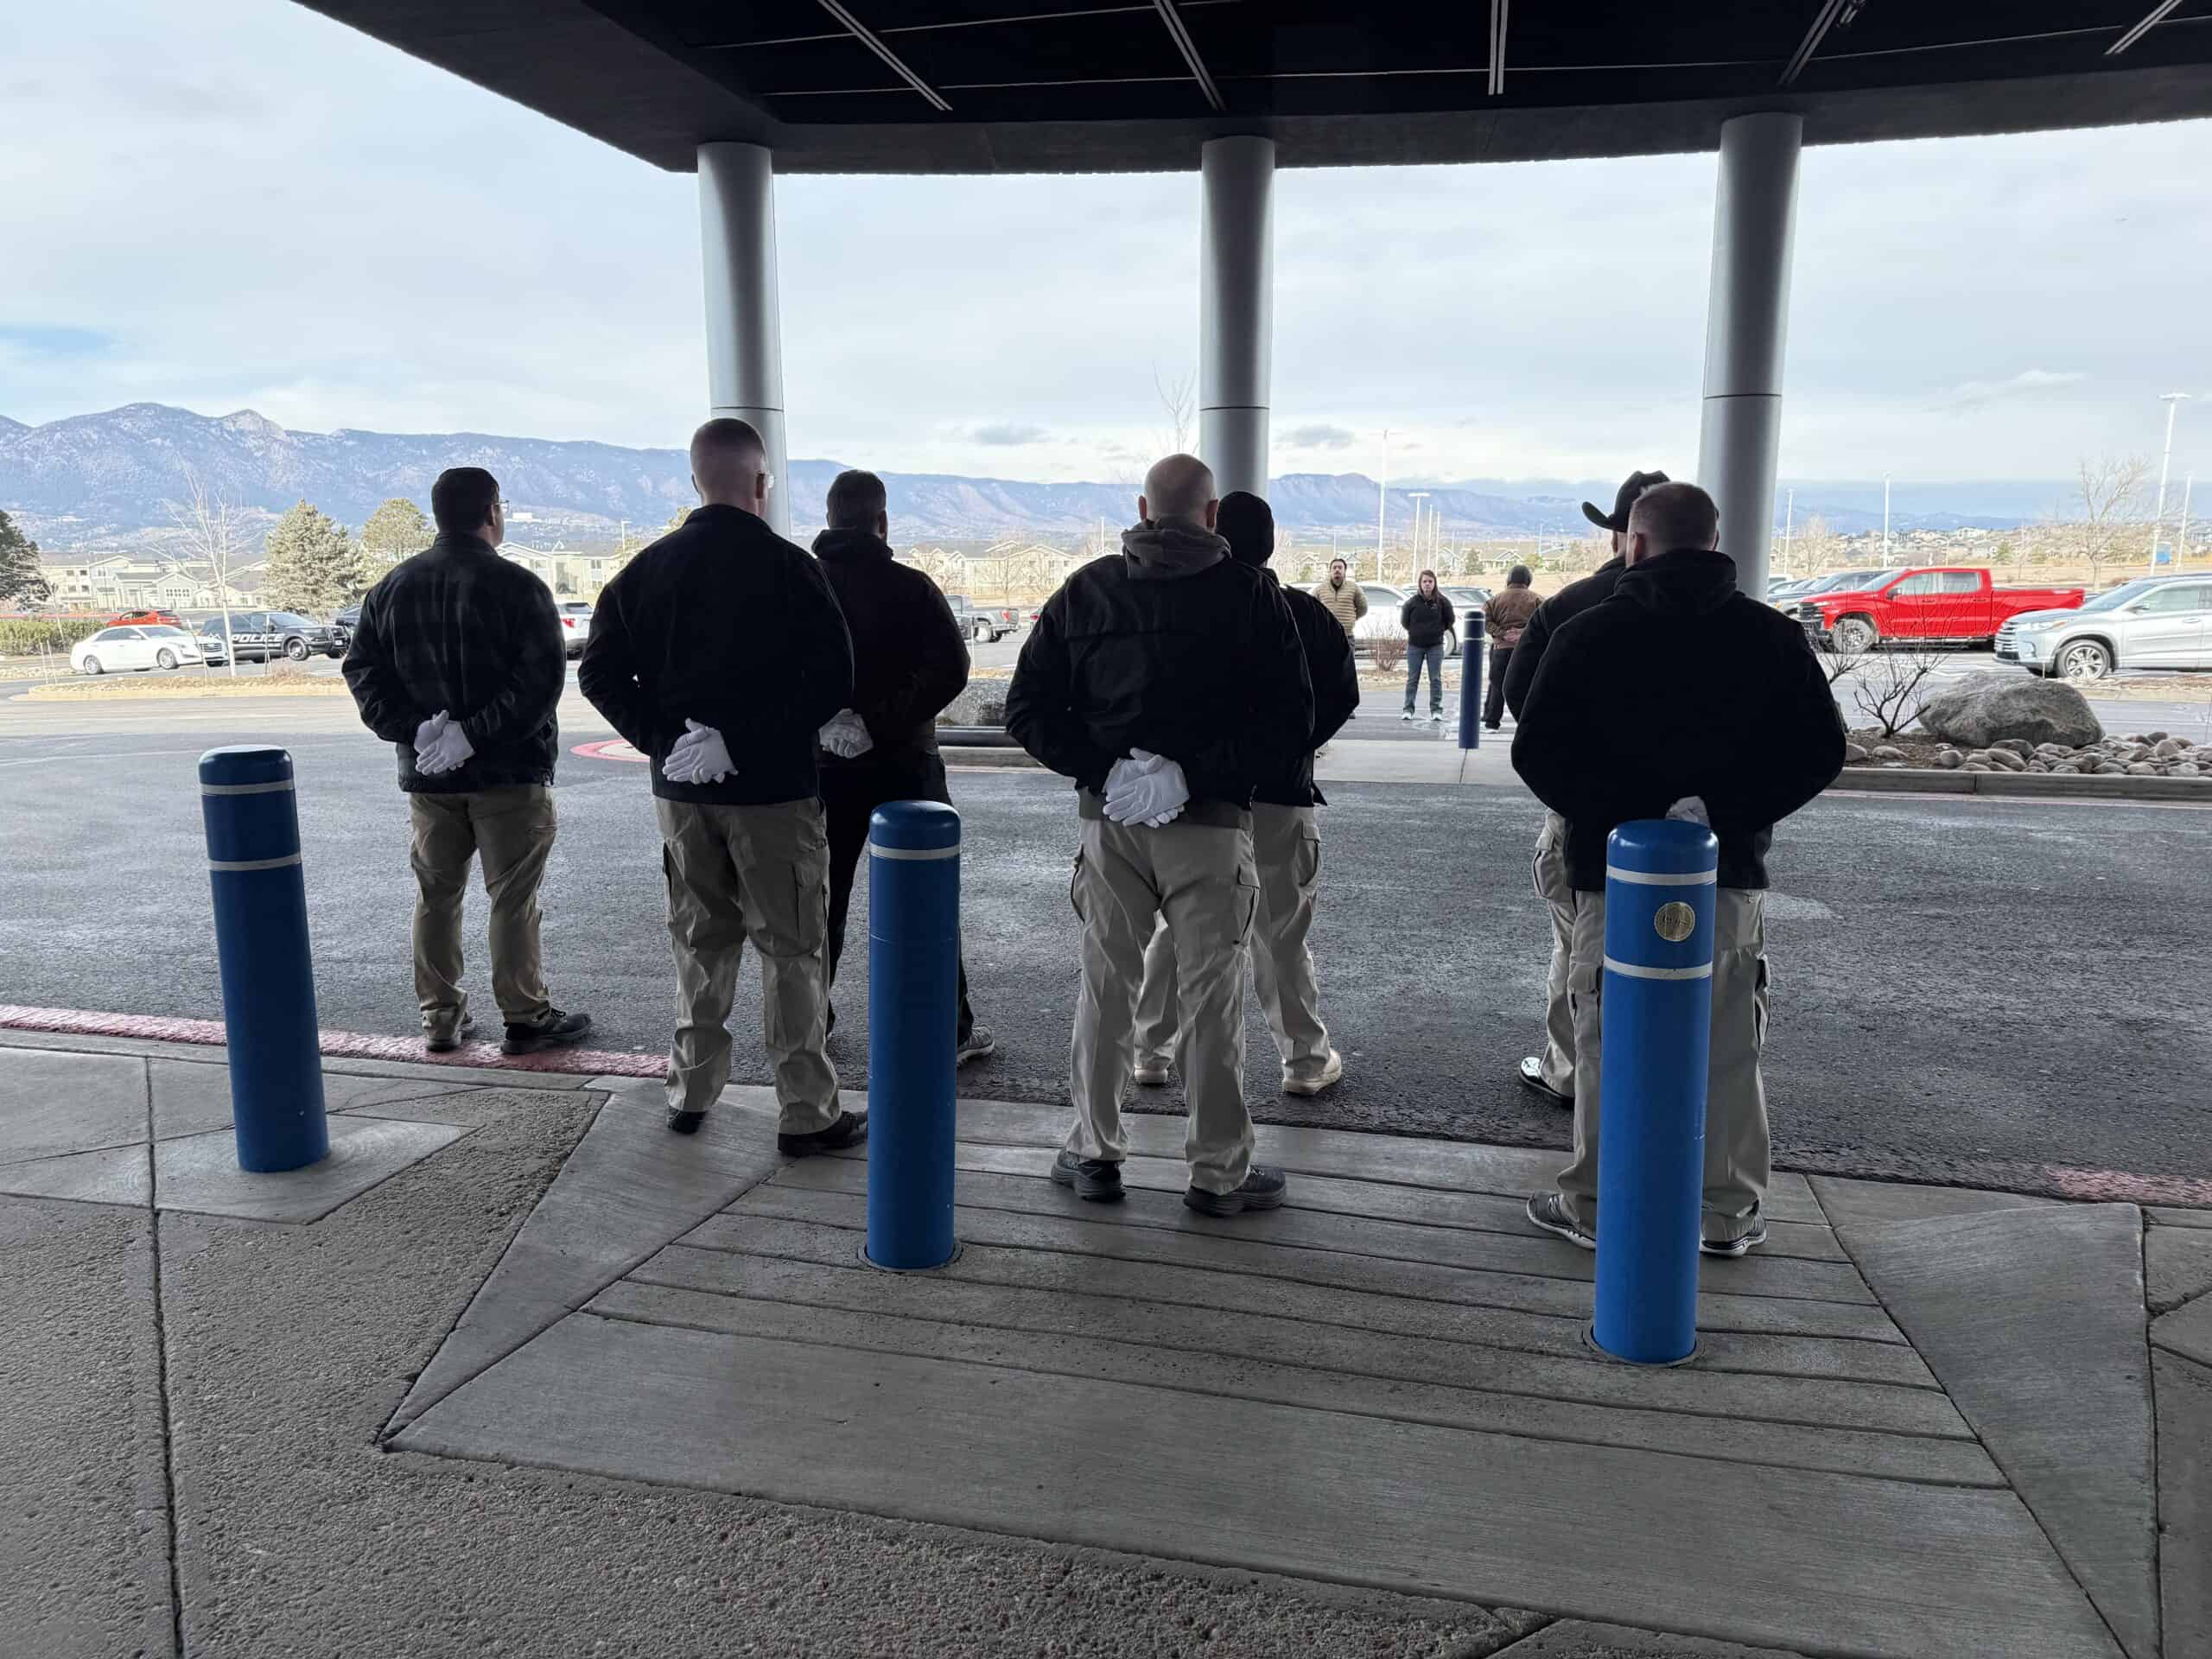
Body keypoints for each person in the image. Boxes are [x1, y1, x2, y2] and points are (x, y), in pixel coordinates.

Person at [1512, 481, 1845, 1256]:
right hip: (1726, 876)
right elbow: (1821, 751)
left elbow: (1538, 749)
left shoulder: (1589, 633)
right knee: (1728, 1038)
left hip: (1612, 875)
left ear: (1635, 542)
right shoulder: (1771, 637)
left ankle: (1597, 1202)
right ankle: (1726, 1211)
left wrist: (1624, 817)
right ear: (1716, 538)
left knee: (1607, 1040)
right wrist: (1718, 813)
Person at [1007, 455, 1313, 1217]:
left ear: (1144, 508)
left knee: (1107, 987)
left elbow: (1027, 708)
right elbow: (1290, 723)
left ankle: (1093, 1152)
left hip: (1109, 827)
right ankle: (1217, 1171)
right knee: (1213, 996)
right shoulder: (1250, 596)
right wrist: (1192, 774)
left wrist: (1105, 771)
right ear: (1212, 516)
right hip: (1210, 828)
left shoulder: (1086, 591)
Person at [578, 419, 861, 1149]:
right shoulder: (794, 569)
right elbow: (833, 677)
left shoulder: (644, 571)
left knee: (700, 942)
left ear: (696, 481)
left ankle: (692, 1090)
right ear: (760, 484)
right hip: (774, 793)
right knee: (793, 949)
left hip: (683, 797)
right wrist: (744, 739)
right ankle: (805, 1110)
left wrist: (669, 742)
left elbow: (599, 671)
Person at [342, 467, 590, 1058]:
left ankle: (440, 1017)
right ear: (492, 513)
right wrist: (474, 735)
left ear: (438, 516)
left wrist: (416, 730)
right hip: (508, 774)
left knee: (436, 895)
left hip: (428, 778)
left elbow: (362, 673)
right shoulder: (520, 588)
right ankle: (525, 1016)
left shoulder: (391, 588)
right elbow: (538, 684)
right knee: (511, 898)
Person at [1130, 491, 1357, 1098]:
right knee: (1280, 933)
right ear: (1274, 542)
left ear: (1215, 534)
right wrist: (1298, 746)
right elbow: (1341, 698)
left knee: (1177, 928)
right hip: (1285, 796)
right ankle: (1305, 1061)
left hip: (1207, 799)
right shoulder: (1309, 616)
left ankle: (1151, 1050)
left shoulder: (1197, 606)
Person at [810, 468, 994, 1065]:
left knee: (820, 899)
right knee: (926, 900)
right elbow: (952, 668)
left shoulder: (805, 588)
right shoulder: (912, 589)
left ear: (831, 518)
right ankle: (950, 1029)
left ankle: (811, 1020)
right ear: (881, 521)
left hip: (825, 767)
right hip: (907, 766)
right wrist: (881, 722)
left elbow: (781, 671)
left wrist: (830, 722)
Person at [1502, 467, 1667, 1109]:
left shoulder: (1569, 607)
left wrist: (1576, 793)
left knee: (1578, 948)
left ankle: (1570, 1071)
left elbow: (1524, 706)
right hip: (1698, 836)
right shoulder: (1735, 616)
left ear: (1622, 536)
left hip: (1586, 816)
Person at [1480, 565, 1540, 731]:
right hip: (1527, 650)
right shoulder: (1537, 599)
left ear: (1509, 579)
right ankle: (1526, 722)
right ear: (1528, 580)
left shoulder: (1494, 600)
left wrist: (1503, 633)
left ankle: (1492, 721)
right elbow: (1543, 622)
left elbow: (1485, 621)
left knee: (1497, 685)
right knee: (1528, 686)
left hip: (1501, 648)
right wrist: (1523, 633)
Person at [1398, 569, 1455, 722]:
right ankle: (1408, 709)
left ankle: (1436, 710)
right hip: (1415, 646)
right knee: (1412, 679)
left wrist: (1437, 630)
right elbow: (1405, 622)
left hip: (1435, 646)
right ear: (1420, 583)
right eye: (1425, 581)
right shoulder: (1411, 603)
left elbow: (1450, 620)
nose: (1427, 584)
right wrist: (1417, 631)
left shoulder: (1442, 602)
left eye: (1430, 581)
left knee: (1435, 679)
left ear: (1435, 583)